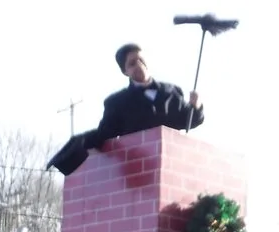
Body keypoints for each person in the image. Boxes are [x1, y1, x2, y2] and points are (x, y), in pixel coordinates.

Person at [46, 43, 203, 176]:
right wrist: (79, 147)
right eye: (132, 63)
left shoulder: (172, 91)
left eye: (141, 59)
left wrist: (196, 107)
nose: (139, 65)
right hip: (139, 169)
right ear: (125, 71)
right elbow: (105, 134)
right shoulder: (117, 102)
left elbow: (187, 121)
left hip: (171, 165)